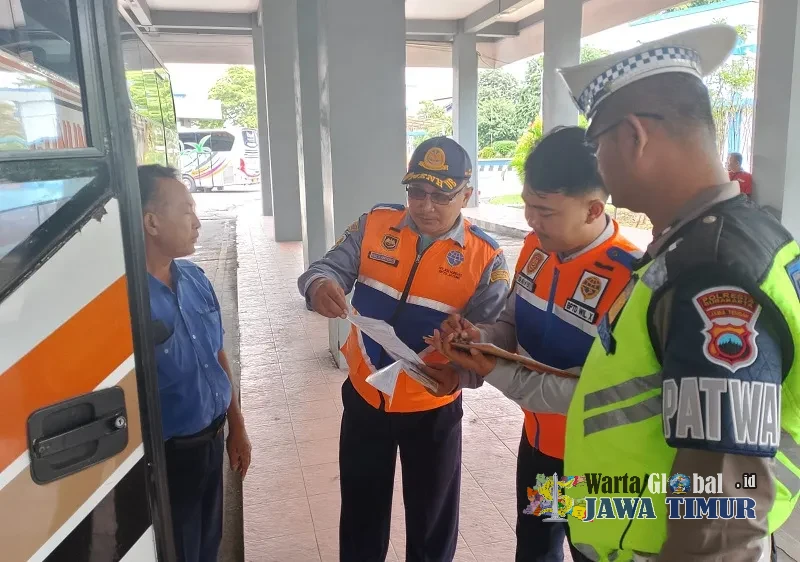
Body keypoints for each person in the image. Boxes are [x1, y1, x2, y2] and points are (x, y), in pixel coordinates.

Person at [467, 23, 799, 562]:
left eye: (596, 144)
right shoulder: (712, 244)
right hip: (620, 513)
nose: (595, 163)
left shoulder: (711, 277)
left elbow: (722, 518)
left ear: (634, 137)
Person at [424, 126, 641, 562]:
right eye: (527, 205)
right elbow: (511, 322)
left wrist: (495, 370)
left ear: (593, 208)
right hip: (539, 445)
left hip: (597, 462)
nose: (530, 220)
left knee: (592, 553)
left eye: (544, 210)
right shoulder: (535, 250)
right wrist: (479, 339)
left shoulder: (630, 281)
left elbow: (595, 394)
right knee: (536, 550)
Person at [296, 137, 510, 561]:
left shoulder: (486, 258)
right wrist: (320, 286)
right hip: (364, 396)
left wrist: (463, 355)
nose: (425, 206)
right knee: (360, 513)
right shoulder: (374, 225)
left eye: (440, 195)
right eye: (416, 192)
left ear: (466, 195)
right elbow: (323, 268)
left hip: (432, 406)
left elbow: (492, 337)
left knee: (431, 522)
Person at [139, 164, 252, 562]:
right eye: (186, 210)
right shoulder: (126, 303)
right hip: (167, 457)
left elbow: (217, 355)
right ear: (151, 222)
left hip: (212, 440)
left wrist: (237, 426)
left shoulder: (195, 278)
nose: (197, 222)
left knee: (208, 544)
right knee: (178, 549)